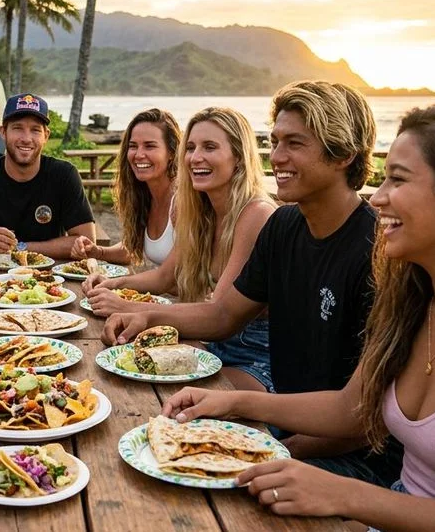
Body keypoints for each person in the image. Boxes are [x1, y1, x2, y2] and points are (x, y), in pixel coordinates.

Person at [162, 103, 435, 532]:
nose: (376, 198)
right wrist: (232, 403)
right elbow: (349, 407)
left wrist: (344, 494)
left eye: (397, 180)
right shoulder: (415, 296)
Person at [105, 80, 401, 486]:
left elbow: (364, 417)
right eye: (274, 141)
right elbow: (225, 314)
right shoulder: (284, 225)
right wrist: (145, 316)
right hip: (284, 428)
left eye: (294, 144)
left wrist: (259, 437)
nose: (276, 157)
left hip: (348, 457)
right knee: (140, 449)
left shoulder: (377, 255)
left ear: (343, 153)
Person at [83, 107, 276, 392]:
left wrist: (131, 309)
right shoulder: (203, 214)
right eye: (191, 147)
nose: (195, 157)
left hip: (257, 358)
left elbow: (219, 316)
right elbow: (168, 277)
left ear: (238, 156)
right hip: (211, 345)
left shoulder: (256, 213)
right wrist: (115, 286)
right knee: (113, 374)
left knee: (159, 394)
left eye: (210, 147)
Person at [0, 93, 96, 258]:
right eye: (17, 128)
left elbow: (86, 242)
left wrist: (20, 247)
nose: (26, 138)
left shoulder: (64, 175)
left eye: (35, 130)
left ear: (46, 136)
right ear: (3, 132)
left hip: (51, 276)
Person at [71, 108, 180, 266]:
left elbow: (169, 279)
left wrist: (114, 285)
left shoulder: (182, 201)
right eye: (133, 146)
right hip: (160, 291)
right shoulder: (145, 196)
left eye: (149, 146)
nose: (139, 154)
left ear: (171, 152)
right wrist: (97, 251)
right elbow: (129, 249)